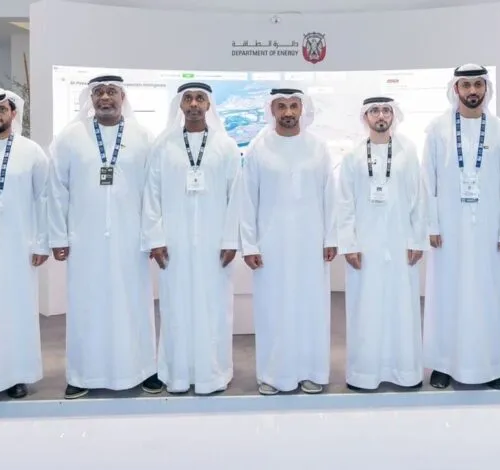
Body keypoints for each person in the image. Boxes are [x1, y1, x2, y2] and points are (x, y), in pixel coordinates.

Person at [48, 75, 162, 399]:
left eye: (112, 91)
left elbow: (153, 194)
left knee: (135, 304)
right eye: (99, 92)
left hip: (131, 239)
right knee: (87, 305)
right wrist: (58, 236)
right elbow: (56, 191)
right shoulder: (70, 138)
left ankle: (143, 370)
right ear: (90, 98)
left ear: (122, 96)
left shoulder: (143, 137)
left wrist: (154, 236)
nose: (105, 97)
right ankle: (82, 374)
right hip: (85, 241)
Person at [142, 82, 243, 395]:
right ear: (180, 105)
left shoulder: (225, 146)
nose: (195, 104)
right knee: (175, 308)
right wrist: (156, 238)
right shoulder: (164, 145)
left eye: (200, 98)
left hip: (215, 246)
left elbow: (235, 196)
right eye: (189, 98)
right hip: (175, 245)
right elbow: (152, 195)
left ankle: (214, 372)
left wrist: (230, 240)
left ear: (209, 105)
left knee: (214, 309)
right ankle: (176, 373)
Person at [422, 64, 500, 390]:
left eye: (478, 84)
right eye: (466, 85)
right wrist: (431, 224)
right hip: (448, 231)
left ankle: (490, 367)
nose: (472, 91)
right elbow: (428, 182)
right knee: (446, 296)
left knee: (488, 297)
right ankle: (443, 365)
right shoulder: (437, 130)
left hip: (489, 230)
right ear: (456, 89)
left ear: (485, 89)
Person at [240, 88, 337, 396]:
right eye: (281, 106)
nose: (288, 112)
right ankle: (272, 374)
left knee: (311, 307)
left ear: (302, 109)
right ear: (272, 110)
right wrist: (250, 244)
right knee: (273, 309)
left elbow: (329, 196)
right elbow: (246, 200)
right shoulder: (258, 148)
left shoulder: (318, 148)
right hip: (272, 245)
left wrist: (331, 237)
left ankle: (312, 371)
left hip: (311, 243)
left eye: (293, 105)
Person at [337, 96, 427, 391]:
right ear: (365, 117)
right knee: (366, 308)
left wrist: (416, 239)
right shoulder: (352, 155)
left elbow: (418, 199)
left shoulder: (407, 152)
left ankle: (405, 372)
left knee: (402, 307)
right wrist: (348, 244)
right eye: (374, 111)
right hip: (365, 247)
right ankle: (364, 374)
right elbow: (345, 203)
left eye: (386, 110)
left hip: (401, 244)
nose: (380, 115)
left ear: (393, 116)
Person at [0, 88, 49, 399]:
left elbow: (44, 200)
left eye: (2, 109)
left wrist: (41, 242)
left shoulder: (31, 152)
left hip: (18, 246)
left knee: (16, 309)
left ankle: (17, 375)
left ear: (13, 113)